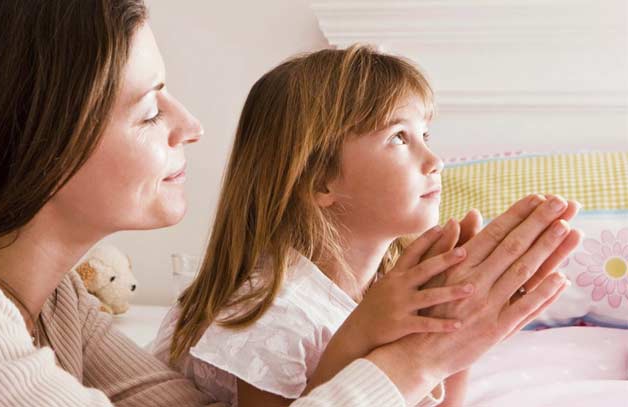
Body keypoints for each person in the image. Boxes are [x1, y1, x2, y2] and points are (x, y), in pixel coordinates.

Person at [0, 0, 581, 406]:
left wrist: (428, 345)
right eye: (146, 110)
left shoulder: (57, 305)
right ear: (31, 144)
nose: (191, 125)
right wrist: (418, 358)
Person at [148, 46, 581, 406]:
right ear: (320, 180)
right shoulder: (268, 312)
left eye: (425, 136)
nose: (435, 161)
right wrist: (363, 334)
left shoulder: (382, 288)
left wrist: (460, 333)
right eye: (398, 138)